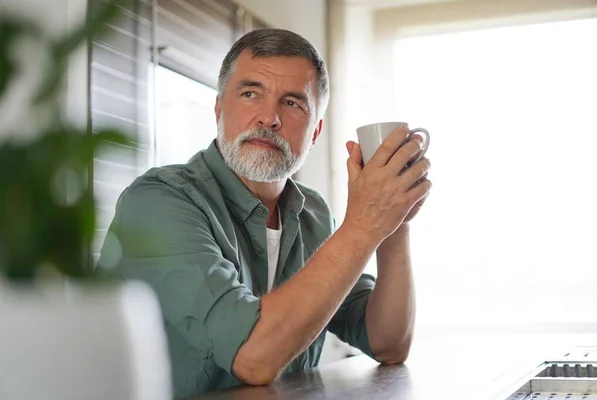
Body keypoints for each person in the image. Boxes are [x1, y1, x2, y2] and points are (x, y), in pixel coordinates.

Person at [98, 28, 431, 399]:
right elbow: (254, 357)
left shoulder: (314, 214)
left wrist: (394, 219)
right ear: (219, 109)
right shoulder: (157, 202)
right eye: (250, 93)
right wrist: (365, 224)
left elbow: (388, 343)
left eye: (292, 103)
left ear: (315, 131)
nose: (268, 117)